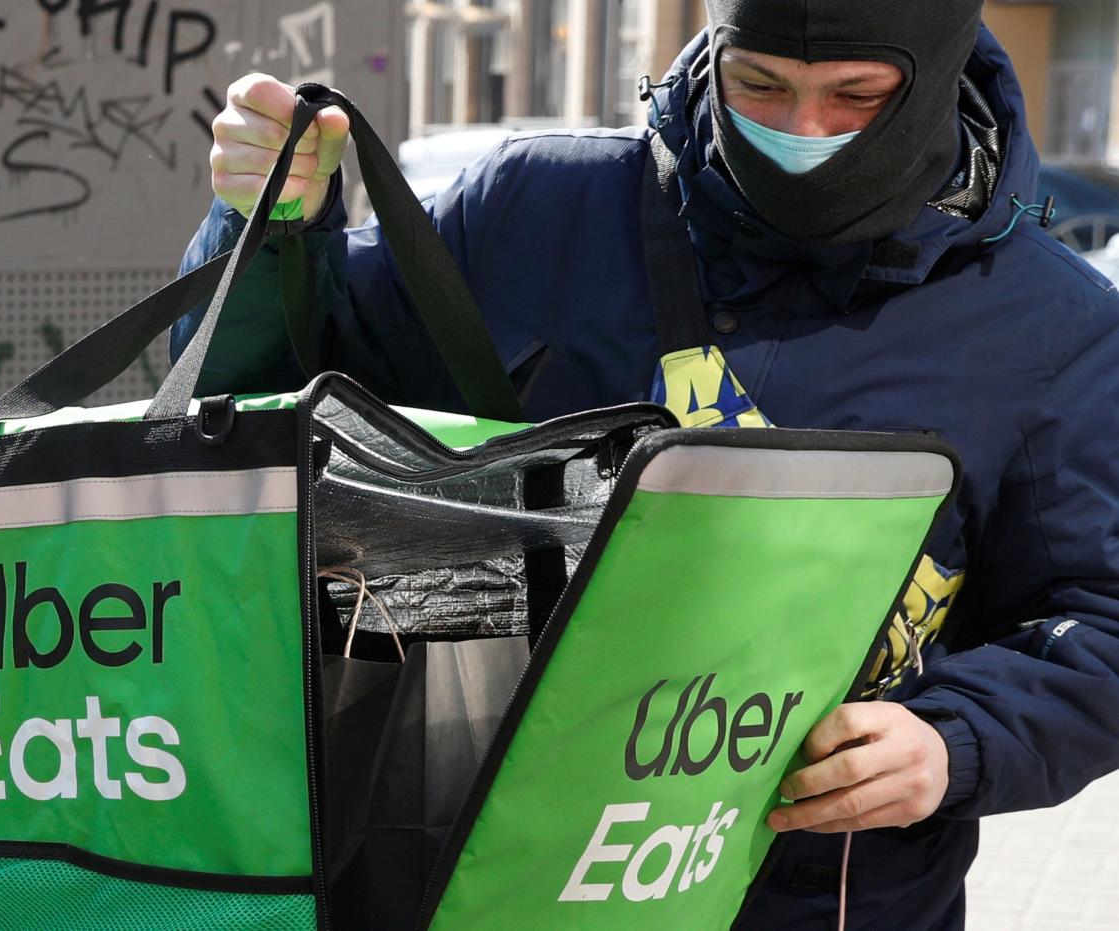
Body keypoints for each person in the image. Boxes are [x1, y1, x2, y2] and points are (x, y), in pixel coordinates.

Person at [173, 1, 1119, 926]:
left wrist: (954, 742)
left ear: (939, 76)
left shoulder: (1051, 328)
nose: (803, 131)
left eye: (857, 96)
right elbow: (267, 410)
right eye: (759, 85)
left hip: (837, 894)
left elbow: (1100, 623)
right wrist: (267, 233)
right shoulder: (533, 213)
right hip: (488, 873)